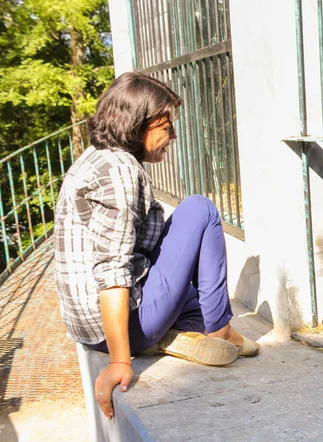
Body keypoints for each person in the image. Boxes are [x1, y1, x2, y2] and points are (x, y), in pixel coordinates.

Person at [54, 72, 259, 420]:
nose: (173, 136)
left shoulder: (95, 157)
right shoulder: (120, 172)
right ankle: (219, 329)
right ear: (138, 126)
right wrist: (120, 360)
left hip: (90, 326)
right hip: (120, 327)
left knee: (192, 293)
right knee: (200, 209)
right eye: (166, 127)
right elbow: (113, 273)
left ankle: (178, 329)